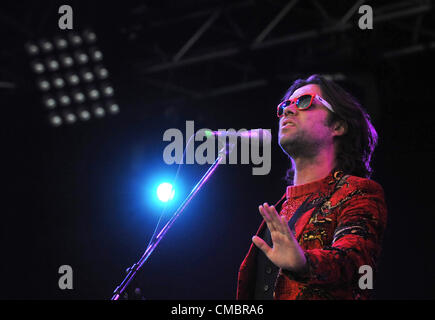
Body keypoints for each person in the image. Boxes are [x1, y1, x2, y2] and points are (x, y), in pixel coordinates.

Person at [236, 74, 387, 300]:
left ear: (337, 125)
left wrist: (305, 264)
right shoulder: (279, 210)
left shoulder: (358, 192)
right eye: (285, 105)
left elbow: (356, 264)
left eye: (304, 102)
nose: (288, 110)